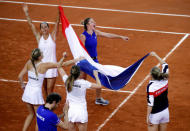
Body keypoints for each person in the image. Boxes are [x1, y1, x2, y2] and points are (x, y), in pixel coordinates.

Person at [18, 48, 83, 131]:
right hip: (35, 95)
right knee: (39, 119)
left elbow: (19, 76)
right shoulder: (44, 65)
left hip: (27, 92)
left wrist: (23, 86)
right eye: (41, 53)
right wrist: (68, 58)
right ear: (39, 57)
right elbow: (60, 65)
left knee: (31, 114)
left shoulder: (29, 62)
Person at [80, 17, 129, 105]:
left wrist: (120, 37)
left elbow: (108, 35)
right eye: (92, 22)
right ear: (87, 25)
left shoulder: (95, 32)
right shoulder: (83, 36)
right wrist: (85, 62)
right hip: (86, 61)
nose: (94, 22)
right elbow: (81, 50)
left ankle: (98, 99)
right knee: (81, 80)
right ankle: (78, 98)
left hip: (95, 61)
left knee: (99, 78)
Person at [23, 4, 60, 97]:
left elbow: (57, 23)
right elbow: (31, 24)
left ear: (48, 28)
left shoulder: (53, 36)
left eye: (45, 27)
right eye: (42, 27)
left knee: (49, 89)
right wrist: (26, 13)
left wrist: (59, 12)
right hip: (41, 67)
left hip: (51, 67)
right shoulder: (39, 38)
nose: (44, 29)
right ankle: (47, 105)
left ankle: (48, 107)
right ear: (40, 30)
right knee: (44, 89)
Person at [58, 65, 101, 131]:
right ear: (79, 73)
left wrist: (65, 58)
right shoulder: (83, 83)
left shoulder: (67, 80)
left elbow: (59, 66)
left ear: (71, 72)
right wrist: (96, 75)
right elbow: (99, 86)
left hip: (71, 111)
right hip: (81, 112)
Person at [147, 52, 169, 131]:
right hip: (165, 112)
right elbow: (165, 65)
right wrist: (156, 55)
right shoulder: (165, 79)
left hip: (155, 114)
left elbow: (150, 104)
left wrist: (147, 117)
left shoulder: (151, 87)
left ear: (151, 75)